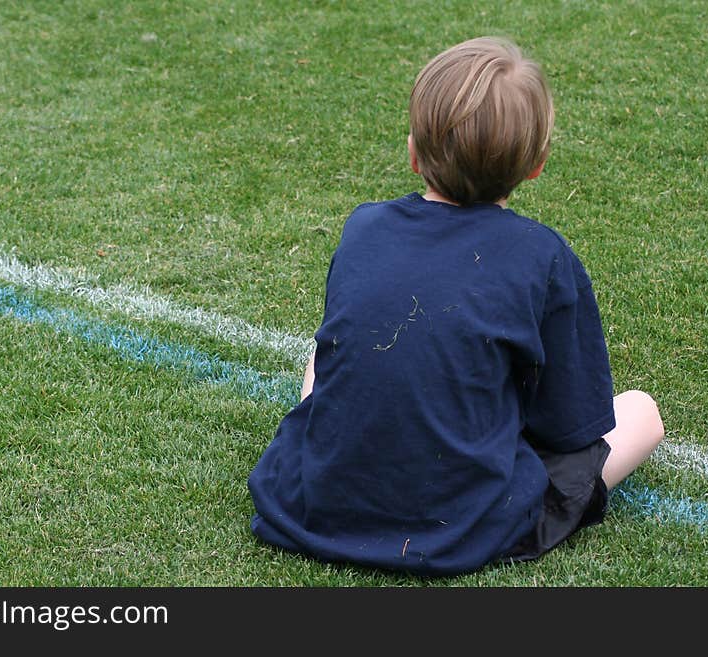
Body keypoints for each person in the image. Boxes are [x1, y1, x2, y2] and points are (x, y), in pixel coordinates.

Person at [247, 36, 664, 576]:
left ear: (413, 151)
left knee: (319, 360)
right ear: (536, 165)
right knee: (643, 414)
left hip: (310, 506)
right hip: (460, 529)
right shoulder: (544, 255)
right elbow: (567, 429)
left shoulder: (364, 226)